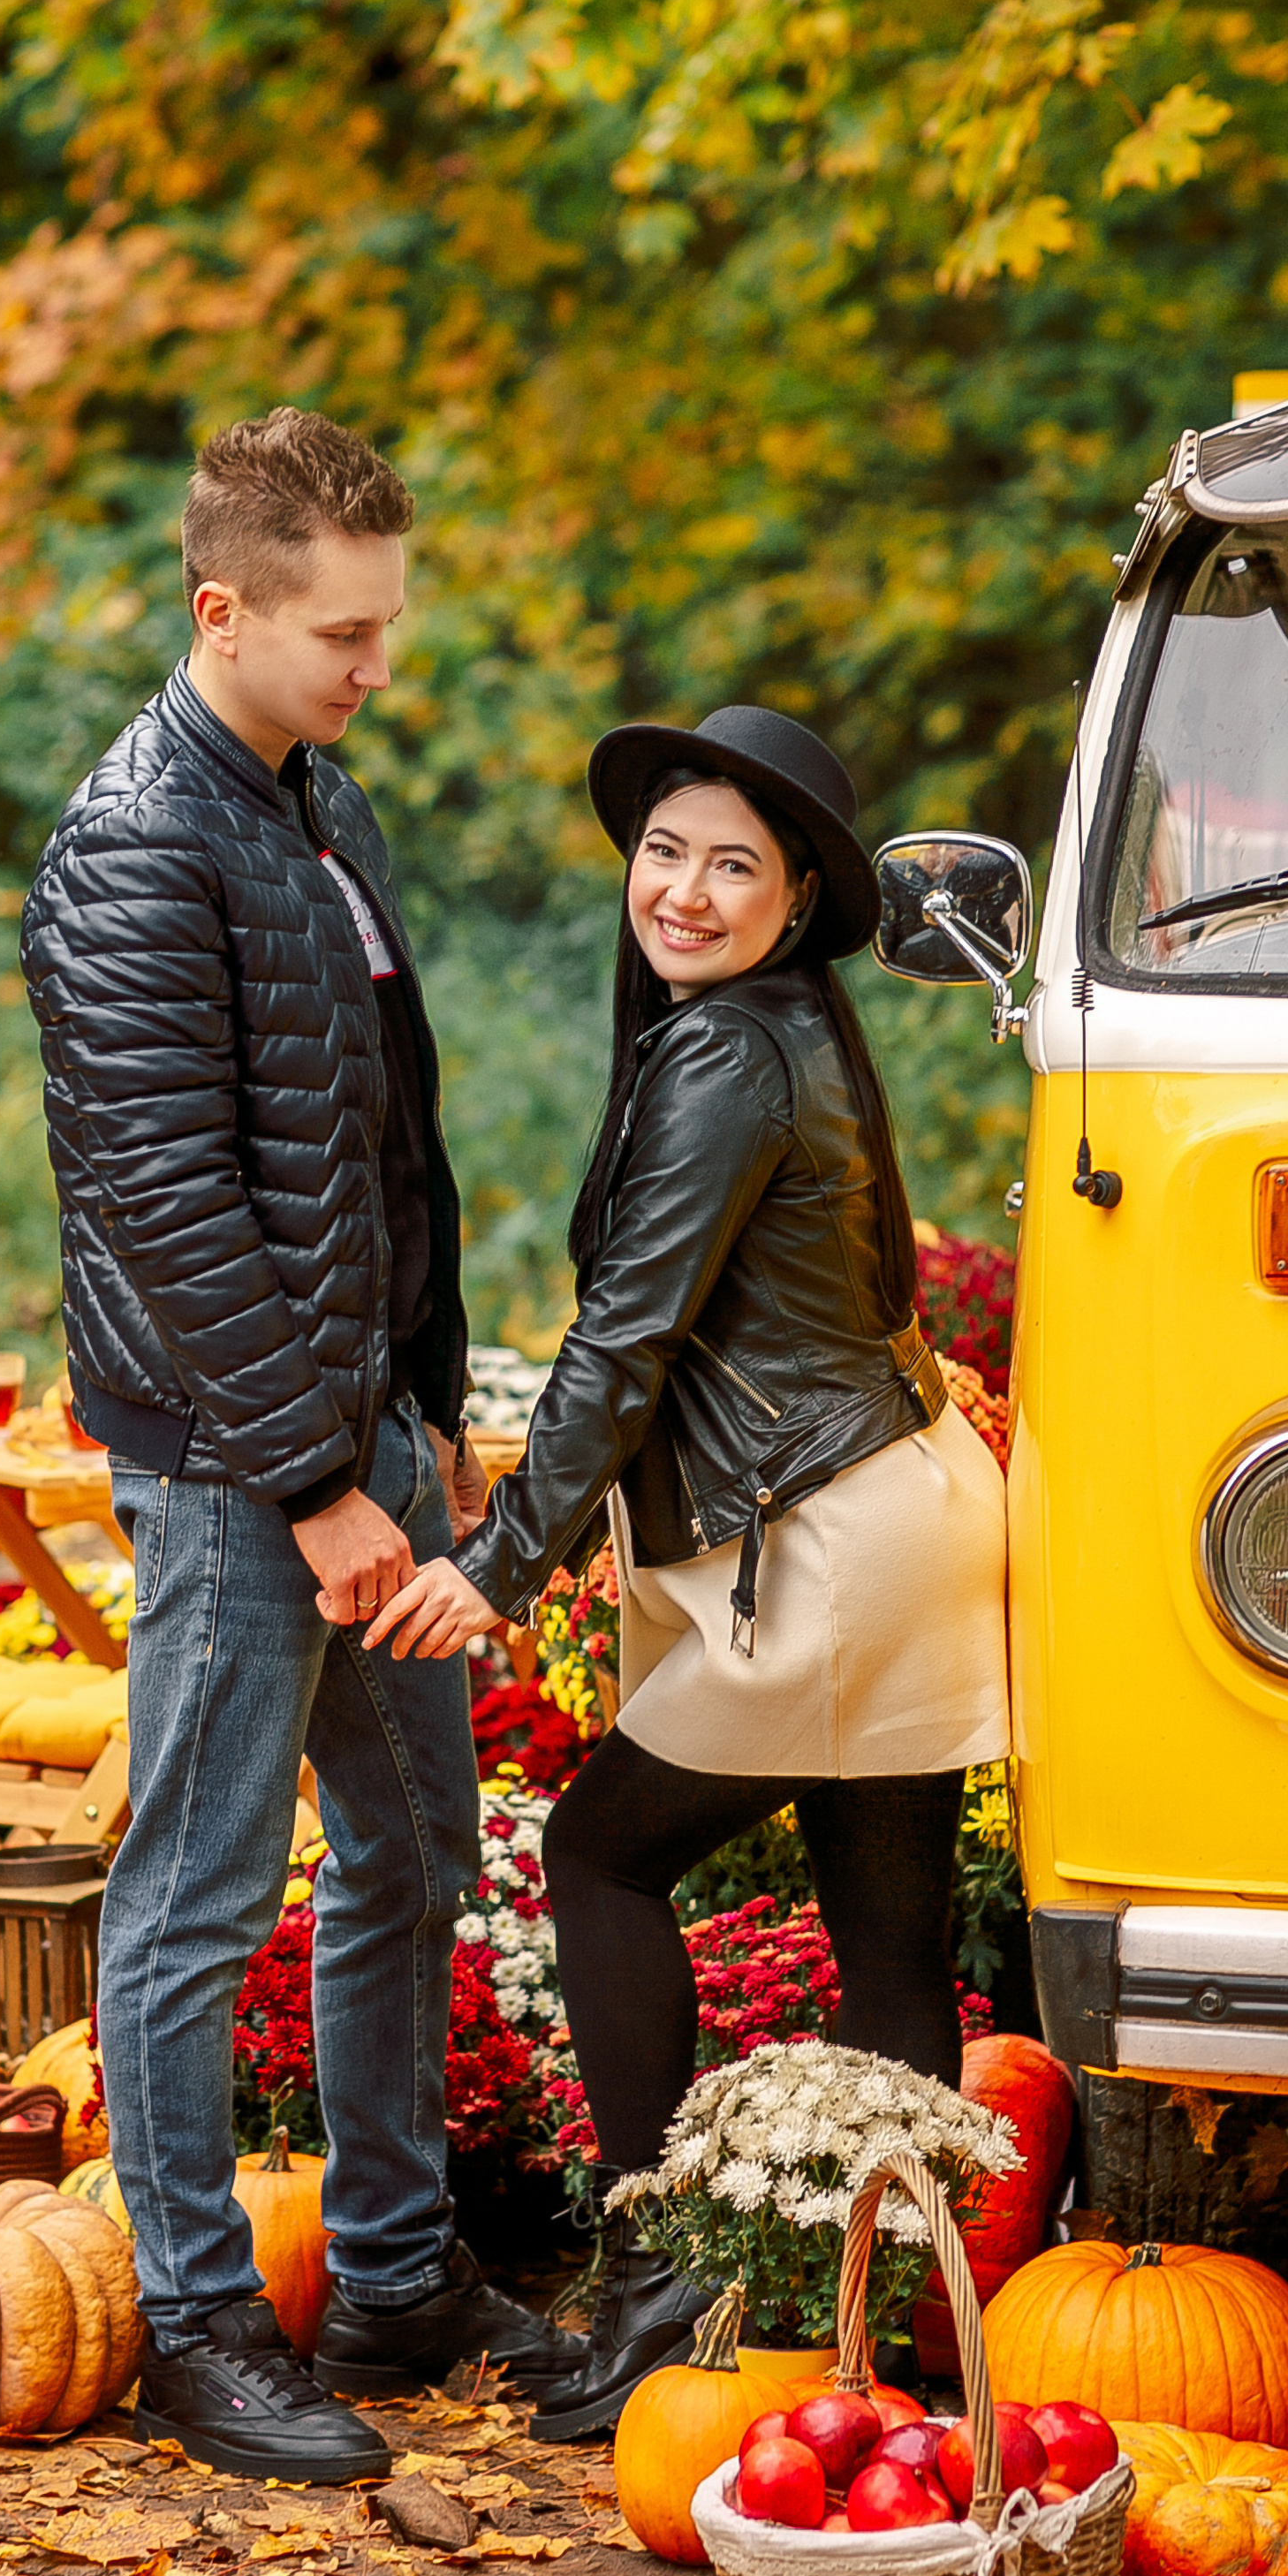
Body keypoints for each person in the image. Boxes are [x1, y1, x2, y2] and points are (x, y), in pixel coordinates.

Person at [20, 406, 575, 2485]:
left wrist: (418, 1416)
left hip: (366, 1432)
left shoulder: (309, 795)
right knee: (196, 1888)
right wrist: (319, 1489)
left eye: (384, 626)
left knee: (414, 1859)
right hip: (238, 1462)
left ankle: (397, 2271)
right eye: (339, 632)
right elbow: (169, 1212)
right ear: (220, 609)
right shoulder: (134, 846)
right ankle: (191, 2324)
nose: (373, 665)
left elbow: (373, 1148)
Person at [367, 705, 1009, 2441]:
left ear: (794, 897)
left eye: (734, 862)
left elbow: (624, 1343)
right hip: (891, 1504)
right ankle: (883, 2354)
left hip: (830, 1544)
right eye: (664, 850)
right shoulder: (769, 1033)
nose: (685, 889)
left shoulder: (727, 1054)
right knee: (883, 1935)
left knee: (597, 1852)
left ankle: (652, 2291)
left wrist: (502, 1560)